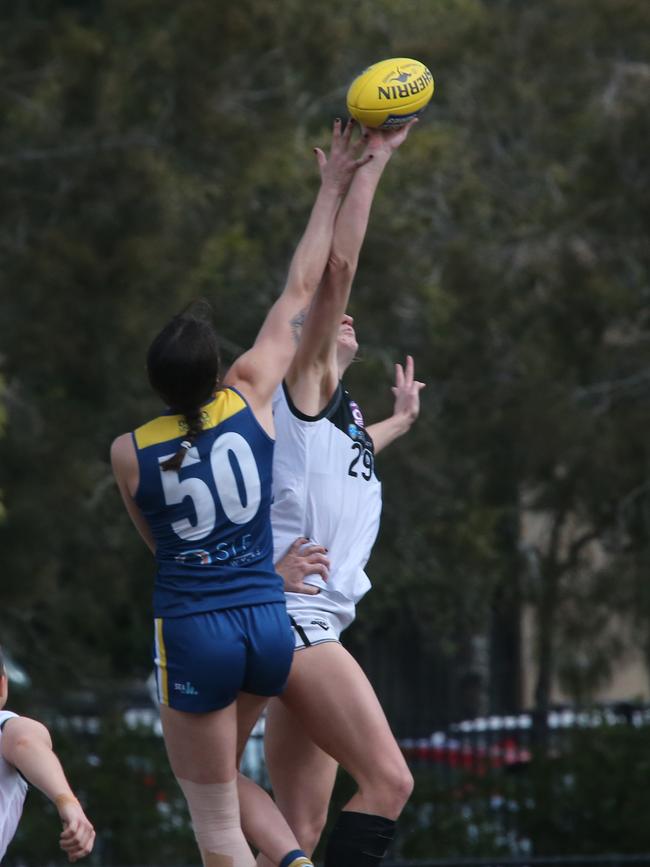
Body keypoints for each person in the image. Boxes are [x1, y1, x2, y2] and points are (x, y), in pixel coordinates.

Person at [110, 119, 372, 867]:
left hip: (197, 627)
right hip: (266, 622)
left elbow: (160, 546)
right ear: (220, 366)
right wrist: (329, 189)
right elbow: (303, 286)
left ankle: (289, 863)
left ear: (157, 386)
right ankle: (292, 860)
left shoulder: (130, 451)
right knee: (249, 814)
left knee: (217, 832)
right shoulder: (252, 394)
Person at [239, 123, 424, 867]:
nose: (333, 318)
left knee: (302, 828)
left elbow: (353, 455)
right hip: (299, 621)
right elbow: (336, 269)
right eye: (318, 323)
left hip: (310, 623)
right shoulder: (304, 384)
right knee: (388, 780)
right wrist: (368, 169)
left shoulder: (336, 420)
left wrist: (401, 421)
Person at [0, 645, 95, 863]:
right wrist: (67, 802)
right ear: (2, 685)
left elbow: (25, 743)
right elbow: (25, 743)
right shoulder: (6, 728)